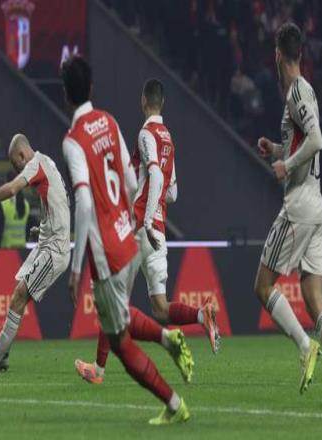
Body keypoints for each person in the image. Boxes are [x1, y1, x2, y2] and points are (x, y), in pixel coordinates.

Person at [61, 56, 191, 425]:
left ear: (65, 95)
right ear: (91, 88)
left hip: (106, 251)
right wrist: (135, 222)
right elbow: (133, 183)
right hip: (128, 237)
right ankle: (167, 340)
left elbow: (84, 201)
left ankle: (174, 403)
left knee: (119, 339)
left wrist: (76, 266)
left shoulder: (73, 141)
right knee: (117, 316)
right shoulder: (109, 121)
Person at [74, 78, 220, 385]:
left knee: (112, 297)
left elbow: (155, 173)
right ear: (162, 103)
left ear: (144, 101)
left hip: (140, 227)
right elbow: (173, 191)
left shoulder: (146, 133)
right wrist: (156, 211)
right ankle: (200, 315)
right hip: (159, 230)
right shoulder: (169, 138)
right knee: (160, 308)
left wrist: (147, 216)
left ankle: (98, 370)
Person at [256, 23, 322, 405]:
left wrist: (287, 165)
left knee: (262, 286)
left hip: (298, 205)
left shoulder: (297, 91)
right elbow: (302, 141)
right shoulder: (304, 91)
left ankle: (304, 346)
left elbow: (316, 140)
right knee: (314, 300)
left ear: (278, 54)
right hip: (315, 207)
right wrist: (276, 150)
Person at [0, 133, 71, 375]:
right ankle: (1, 357)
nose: (18, 171)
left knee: (18, 297)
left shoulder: (35, 164)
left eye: (17, 165)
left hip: (55, 250)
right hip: (47, 244)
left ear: (23, 154)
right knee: (18, 292)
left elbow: (13, 188)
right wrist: (44, 228)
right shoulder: (48, 163)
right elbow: (60, 200)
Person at [0, 171, 31, 248]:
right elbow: (28, 229)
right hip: (22, 248)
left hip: (7, 249)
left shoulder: (3, 204)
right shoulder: (26, 204)